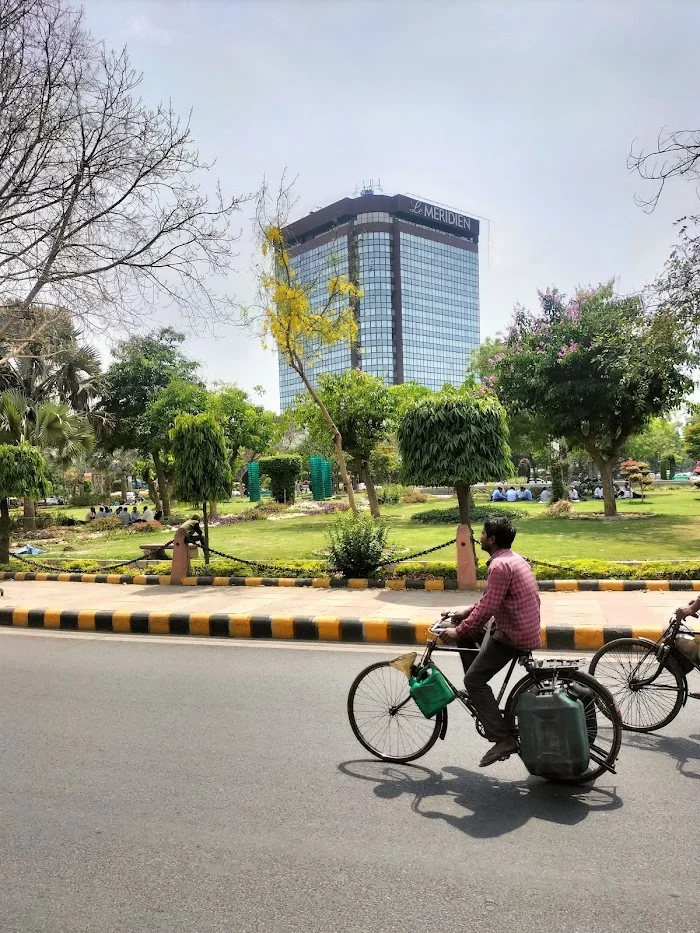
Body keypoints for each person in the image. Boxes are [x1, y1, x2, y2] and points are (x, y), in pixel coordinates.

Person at [439, 517, 541, 768]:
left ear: (492, 539)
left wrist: (459, 630)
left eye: (483, 533)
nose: (480, 537)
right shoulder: (513, 559)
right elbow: (487, 602)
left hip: (512, 634)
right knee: (466, 634)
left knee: (472, 680)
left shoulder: (499, 567)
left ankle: (502, 738)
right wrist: (464, 614)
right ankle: (481, 698)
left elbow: (488, 608)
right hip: (518, 625)